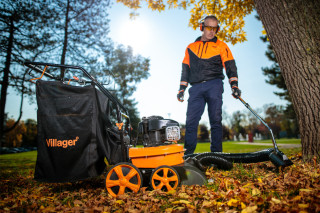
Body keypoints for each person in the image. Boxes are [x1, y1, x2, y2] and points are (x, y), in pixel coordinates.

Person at [177, 15, 241, 155]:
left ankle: (216, 156)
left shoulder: (221, 46)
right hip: (196, 89)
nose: (212, 31)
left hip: (214, 85)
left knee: (215, 120)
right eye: (208, 28)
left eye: (215, 28)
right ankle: (188, 156)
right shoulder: (190, 48)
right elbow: (185, 70)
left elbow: (230, 66)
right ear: (202, 27)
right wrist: (182, 89)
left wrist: (234, 85)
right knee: (191, 122)